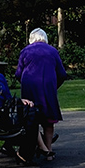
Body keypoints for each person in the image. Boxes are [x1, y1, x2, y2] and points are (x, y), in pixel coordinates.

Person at [15, 29, 67, 159]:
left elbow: (18, 73)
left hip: (30, 88)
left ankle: (40, 146)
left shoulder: (25, 51)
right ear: (45, 37)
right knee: (49, 121)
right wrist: (54, 86)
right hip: (47, 88)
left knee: (32, 118)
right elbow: (62, 73)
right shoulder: (52, 51)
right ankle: (48, 149)